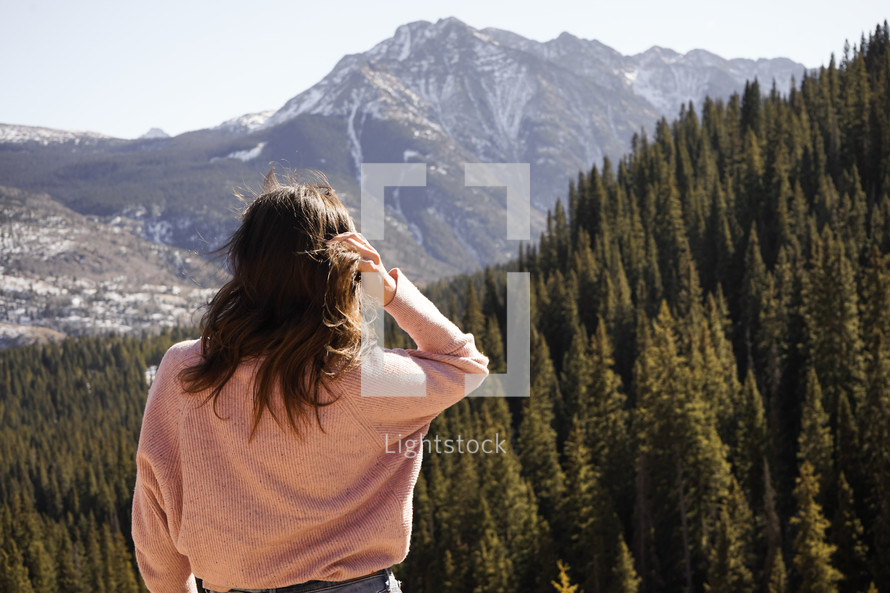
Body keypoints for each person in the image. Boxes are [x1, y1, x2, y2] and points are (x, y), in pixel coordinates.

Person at [131, 170, 490, 593]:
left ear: (246, 263)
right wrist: (390, 292)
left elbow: (154, 512)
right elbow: (464, 364)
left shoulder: (185, 371)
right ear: (343, 272)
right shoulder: (362, 377)